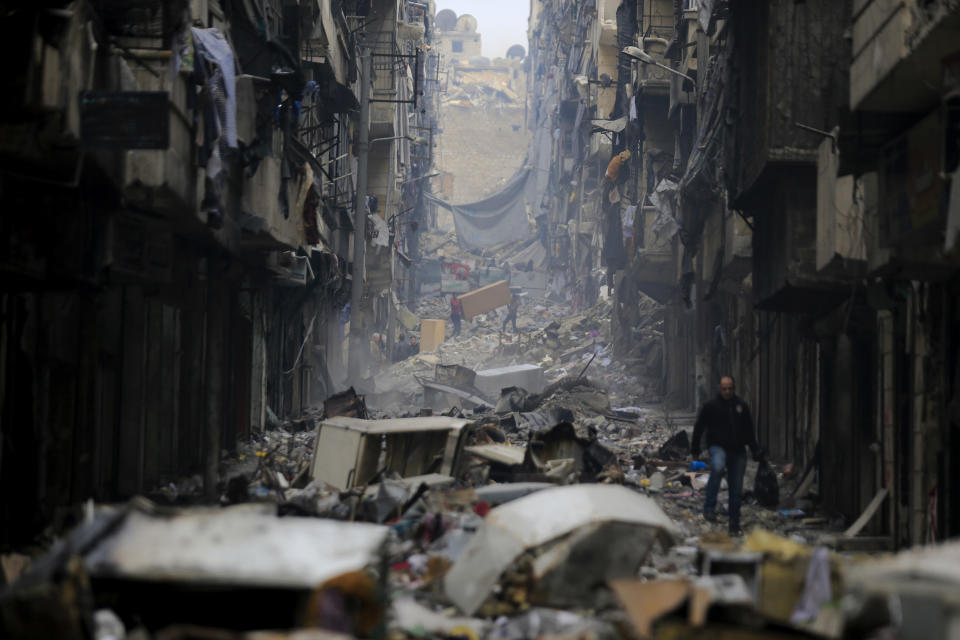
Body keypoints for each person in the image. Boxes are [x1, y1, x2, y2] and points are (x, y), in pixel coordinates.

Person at [690, 375, 762, 536]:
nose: (727, 391)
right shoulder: (711, 406)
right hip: (718, 447)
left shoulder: (741, 406)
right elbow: (699, 427)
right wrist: (695, 448)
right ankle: (709, 508)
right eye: (724, 388)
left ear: (734, 388)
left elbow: (749, 431)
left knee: (736, 487)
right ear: (719, 388)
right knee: (717, 467)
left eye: (730, 388)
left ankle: (734, 523)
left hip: (738, 450)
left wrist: (755, 450)